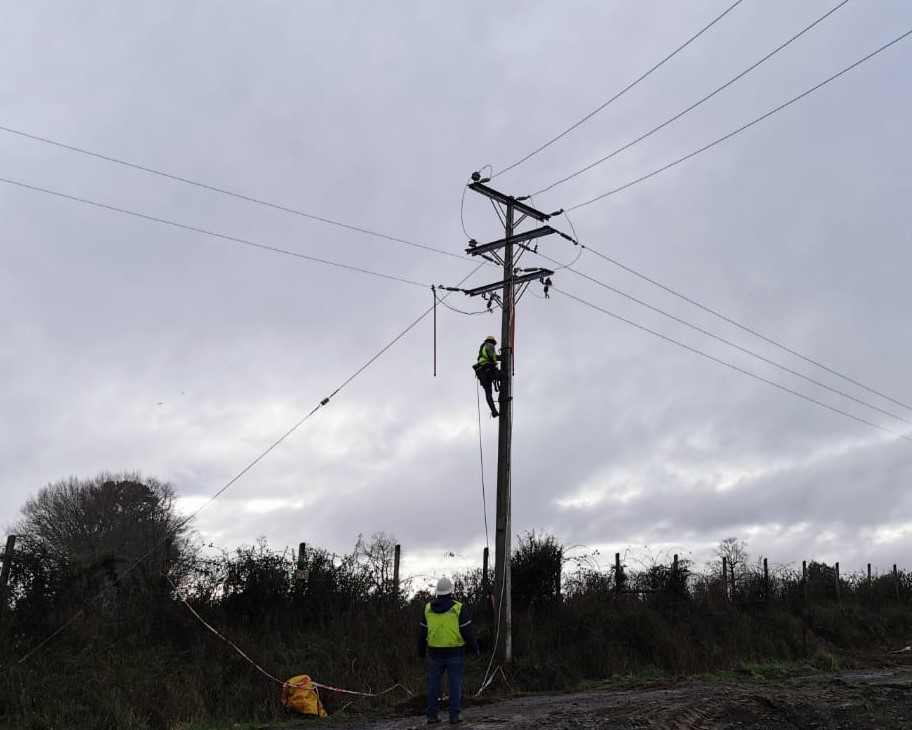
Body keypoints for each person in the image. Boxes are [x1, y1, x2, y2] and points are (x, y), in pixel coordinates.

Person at [418, 577, 480, 725]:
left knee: (433, 685)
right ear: (451, 591)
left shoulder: (427, 608)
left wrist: (420, 651)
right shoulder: (458, 608)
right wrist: (475, 649)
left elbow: (422, 633)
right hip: (455, 653)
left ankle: (432, 716)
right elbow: (467, 632)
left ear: (437, 592)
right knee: (454, 685)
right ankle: (454, 716)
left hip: (434, 654)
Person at [473, 335, 501, 418]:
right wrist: (495, 360)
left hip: (482, 373)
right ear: (491, 341)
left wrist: (499, 358)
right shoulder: (489, 345)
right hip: (488, 369)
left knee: (488, 393)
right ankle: (503, 395)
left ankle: (493, 411)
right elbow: (492, 356)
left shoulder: (482, 349)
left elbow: (494, 356)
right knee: (504, 377)